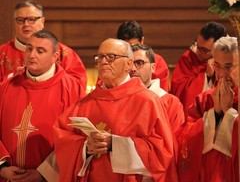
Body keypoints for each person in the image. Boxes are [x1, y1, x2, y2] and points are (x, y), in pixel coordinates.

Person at [54, 38, 174, 182]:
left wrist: (114, 144)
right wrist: (85, 147)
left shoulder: (148, 101)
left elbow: (161, 152)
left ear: (129, 64)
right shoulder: (85, 103)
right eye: (100, 57)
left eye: (111, 57)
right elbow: (62, 138)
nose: (104, 62)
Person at [0, 30, 84, 182]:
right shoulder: (5, 87)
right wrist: (2, 168)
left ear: (55, 57)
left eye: (40, 51)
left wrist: (44, 173)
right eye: (29, 48)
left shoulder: (72, 89)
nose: (32, 55)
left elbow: (75, 139)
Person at [177, 36, 239, 182]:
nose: (222, 73)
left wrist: (229, 113)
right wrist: (215, 114)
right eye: (217, 65)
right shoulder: (204, 100)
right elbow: (184, 138)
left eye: (229, 66)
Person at [0, 0, 87, 91]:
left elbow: (77, 89)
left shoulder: (63, 53)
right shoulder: (2, 53)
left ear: (42, 21)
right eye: (20, 20)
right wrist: (15, 78)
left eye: (31, 19)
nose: (26, 24)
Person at [130, 43, 185, 181]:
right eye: (129, 63)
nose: (132, 69)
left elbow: (171, 149)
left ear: (153, 67)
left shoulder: (170, 103)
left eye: (139, 63)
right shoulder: (120, 100)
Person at [170, 21, 227, 117]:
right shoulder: (187, 58)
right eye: (197, 46)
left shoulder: (228, 62)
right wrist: (206, 76)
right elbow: (179, 92)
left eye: (204, 50)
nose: (198, 52)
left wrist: (214, 74)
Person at [116, 20, 170, 91]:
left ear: (142, 41)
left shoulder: (157, 61)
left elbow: (162, 94)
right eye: (126, 47)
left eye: (133, 46)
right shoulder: (112, 62)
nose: (130, 51)